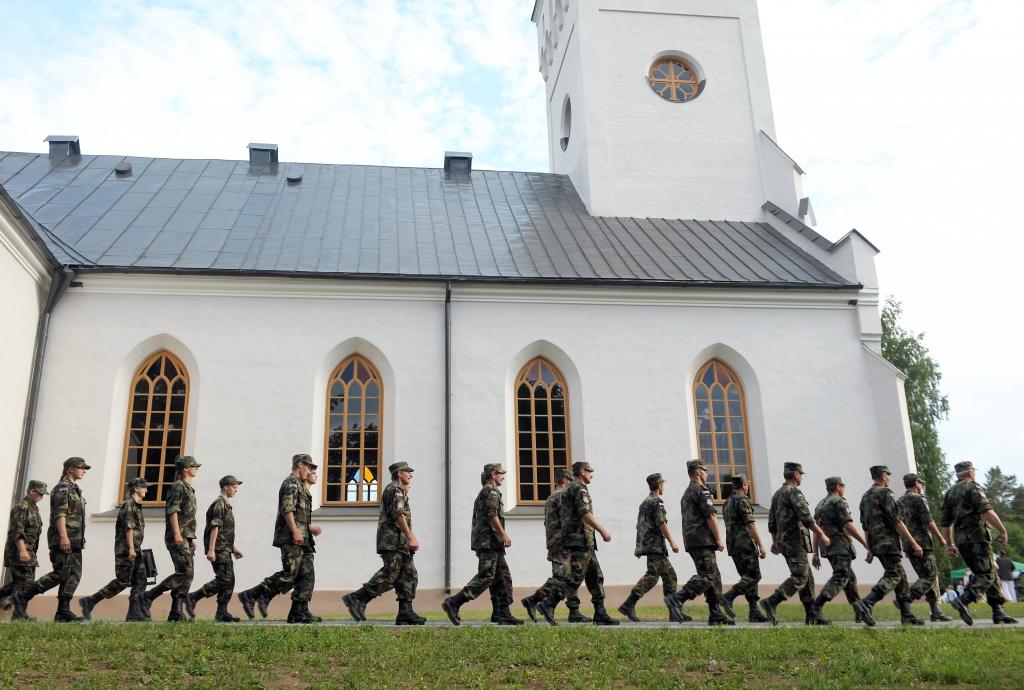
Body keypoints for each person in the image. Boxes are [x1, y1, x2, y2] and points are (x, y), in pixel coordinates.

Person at [237, 454, 322, 624]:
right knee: (290, 573)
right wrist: (295, 531)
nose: (309, 471)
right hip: (291, 537)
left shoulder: (300, 486)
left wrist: (307, 528)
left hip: (303, 538)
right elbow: (287, 509)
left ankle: (299, 611)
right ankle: (252, 595)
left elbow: (299, 514)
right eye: (308, 467)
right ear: (299, 464)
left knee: (307, 575)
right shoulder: (290, 483)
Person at [535, 461, 619, 626]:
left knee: (595, 576)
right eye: (589, 471)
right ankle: (548, 603)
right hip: (579, 540)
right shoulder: (578, 488)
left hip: (581, 540)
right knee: (574, 577)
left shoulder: (569, 489)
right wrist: (603, 531)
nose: (591, 474)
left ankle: (600, 613)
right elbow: (585, 513)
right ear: (582, 471)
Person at [343, 461, 426, 625]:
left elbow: (402, 517)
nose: (411, 475)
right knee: (390, 573)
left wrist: (409, 537)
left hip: (399, 541)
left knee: (408, 575)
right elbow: (398, 514)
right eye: (407, 472)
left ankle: (405, 612)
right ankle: (357, 598)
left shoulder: (399, 490)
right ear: (399, 474)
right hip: (392, 540)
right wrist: (410, 536)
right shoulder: (395, 489)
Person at [10, 457, 90, 622]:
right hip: (64, 539)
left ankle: (63, 611)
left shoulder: (75, 489)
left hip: (76, 540)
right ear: (70, 469)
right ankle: (22, 596)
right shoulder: (62, 489)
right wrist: (63, 536)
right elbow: (60, 514)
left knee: (74, 574)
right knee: (61, 573)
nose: (84, 471)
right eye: (81, 467)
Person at [442, 463, 523, 626]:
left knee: (502, 577)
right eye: (500, 474)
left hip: (492, 542)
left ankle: (501, 612)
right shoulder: (490, 491)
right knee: (486, 576)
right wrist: (504, 534)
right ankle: (454, 602)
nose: (503, 477)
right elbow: (492, 515)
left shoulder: (489, 491)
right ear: (493, 474)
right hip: (489, 542)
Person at [941, 460, 1016, 624]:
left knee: (989, 572)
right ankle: (964, 600)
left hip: (961, 541)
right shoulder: (973, 487)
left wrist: (949, 544)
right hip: (977, 538)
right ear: (970, 472)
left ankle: (998, 611)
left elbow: (946, 523)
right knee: (987, 574)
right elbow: (986, 511)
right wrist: (1002, 530)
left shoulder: (950, 493)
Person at [760, 461, 831, 626]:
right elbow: (807, 518)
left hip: (785, 542)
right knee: (801, 576)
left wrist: (775, 541)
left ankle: (812, 614)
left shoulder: (777, 494)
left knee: (807, 578)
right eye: (801, 475)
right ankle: (772, 601)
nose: (802, 478)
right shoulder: (793, 493)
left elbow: (771, 522)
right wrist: (822, 535)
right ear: (796, 475)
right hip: (795, 541)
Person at [665, 459, 733, 626]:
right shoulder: (701, 490)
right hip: (703, 540)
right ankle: (677, 598)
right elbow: (710, 516)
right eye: (704, 470)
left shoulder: (687, 493)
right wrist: (719, 538)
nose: (707, 474)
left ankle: (715, 613)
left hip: (693, 540)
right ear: (697, 472)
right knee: (708, 575)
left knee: (714, 576)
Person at [857, 465, 925, 626]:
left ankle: (906, 615)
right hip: (888, 542)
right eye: (888, 475)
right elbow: (897, 521)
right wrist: (913, 543)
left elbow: (865, 526)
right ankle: (867, 602)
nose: (889, 478)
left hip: (876, 543)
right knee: (893, 575)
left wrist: (869, 548)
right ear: (882, 476)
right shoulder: (885, 493)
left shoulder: (865, 497)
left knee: (901, 578)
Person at [136, 456, 201, 622]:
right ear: (185, 469)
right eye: (194, 466)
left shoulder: (188, 488)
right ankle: (148, 597)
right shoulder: (178, 486)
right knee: (184, 572)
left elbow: (187, 516)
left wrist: (190, 537)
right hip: (176, 536)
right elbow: (173, 511)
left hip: (185, 536)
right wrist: (177, 533)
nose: (196, 468)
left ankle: (176, 612)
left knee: (187, 575)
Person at [79, 478, 151, 622]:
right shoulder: (129, 505)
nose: (146, 490)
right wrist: (131, 548)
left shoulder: (136, 506)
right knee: (123, 581)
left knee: (141, 581)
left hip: (135, 549)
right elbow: (128, 528)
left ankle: (134, 614)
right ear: (136, 489)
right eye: (144, 487)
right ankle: (91, 601)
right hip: (126, 550)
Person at [521, 468, 588, 623]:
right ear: (564, 480)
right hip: (563, 542)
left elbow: (548, 523)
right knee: (563, 578)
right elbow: (565, 521)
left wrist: (550, 545)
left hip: (554, 541)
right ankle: (533, 600)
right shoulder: (562, 496)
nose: (571, 484)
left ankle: (573, 610)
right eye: (569, 481)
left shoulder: (550, 497)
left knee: (567, 575)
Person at [618, 473, 681, 622]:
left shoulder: (645, 502)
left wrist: (640, 546)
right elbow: (661, 523)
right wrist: (672, 542)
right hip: (655, 546)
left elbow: (641, 525)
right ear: (659, 485)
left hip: (649, 544)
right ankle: (628, 604)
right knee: (653, 576)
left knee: (670, 576)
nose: (663, 487)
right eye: (663, 484)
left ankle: (674, 612)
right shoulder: (657, 502)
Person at [811, 476, 871, 624]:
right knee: (841, 577)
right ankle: (816, 607)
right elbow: (848, 525)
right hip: (840, 546)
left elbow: (816, 530)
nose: (843, 489)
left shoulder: (820, 505)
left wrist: (815, 553)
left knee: (850, 579)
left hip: (828, 548)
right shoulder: (838, 501)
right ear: (838, 487)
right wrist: (865, 544)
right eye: (842, 486)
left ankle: (860, 610)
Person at [185, 475, 244, 622]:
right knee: (224, 579)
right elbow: (215, 527)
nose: (236, 490)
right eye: (234, 487)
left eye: (236, 487)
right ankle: (193, 597)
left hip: (225, 548)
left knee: (230, 580)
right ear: (225, 487)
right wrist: (211, 549)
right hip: (218, 549)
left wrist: (233, 548)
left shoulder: (226, 505)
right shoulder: (219, 505)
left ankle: (222, 612)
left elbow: (224, 532)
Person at [897, 473, 952, 621]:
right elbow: (928, 521)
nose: (921, 486)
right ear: (916, 483)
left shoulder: (899, 501)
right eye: (920, 483)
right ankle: (907, 598)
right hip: (922, 543)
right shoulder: (919, 499)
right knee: (930, 575)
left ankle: (935, 611)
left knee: (925, 577)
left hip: (908, 544)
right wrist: (941, 538)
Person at [721, 474, 769, 623]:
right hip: (745, 544)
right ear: (744, 486)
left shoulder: (727, 502)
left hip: (733, 545)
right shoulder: (742, 500)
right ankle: (728, 597)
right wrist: (761, 545)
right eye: (747, 485)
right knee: (754, 576)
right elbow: (750, 524)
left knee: (747, 578)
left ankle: (754, 612)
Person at [0, 480, 48, 620]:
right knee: (27, 584)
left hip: (29, 551)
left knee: (19, 583)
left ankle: (18, 614)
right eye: (39, 493)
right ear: (31, 491)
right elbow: (17, 531)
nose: (42, 497)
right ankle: (19, 616)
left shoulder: (33, 508)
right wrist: (22, 550)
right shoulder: (22, 507)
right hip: (19, 552)